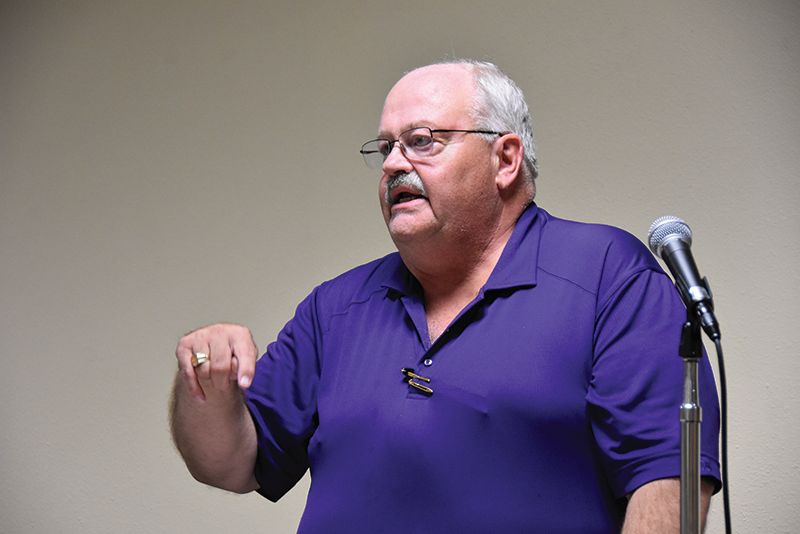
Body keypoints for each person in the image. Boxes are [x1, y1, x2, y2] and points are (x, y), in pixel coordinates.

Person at [170, 60, 721, 533]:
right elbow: (231, 462)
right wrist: (206, 382)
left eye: (422, 140)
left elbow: (669, 482)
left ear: (504, 159)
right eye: (385, 147)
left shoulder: (606, 275)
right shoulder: (335, 309)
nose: (392, 164)